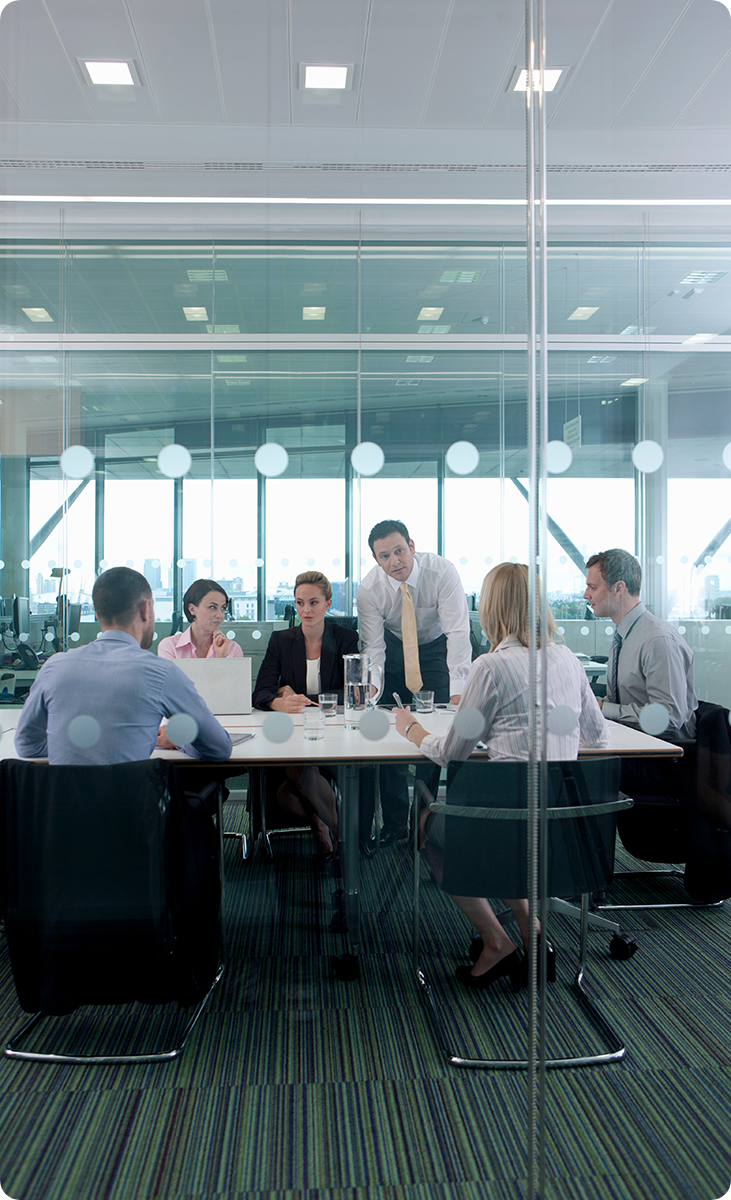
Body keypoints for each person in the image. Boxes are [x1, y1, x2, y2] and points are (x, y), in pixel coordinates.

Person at [393, 562, 609, 989]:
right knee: (508, 834)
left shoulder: (490, 667)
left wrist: (412, 730)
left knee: (425, 824)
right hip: (563, 828)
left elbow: (453, 752)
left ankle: (497, 942)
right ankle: (536, 937)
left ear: (491, 608)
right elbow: (597, 740)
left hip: (507, 825)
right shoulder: (568, 660)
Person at [15, 566, 232, 766]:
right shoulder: (161, 673)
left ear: (98, 614)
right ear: (145, 609)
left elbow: (27, 746)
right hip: (135, 806)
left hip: (64, 806)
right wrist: (178, 741)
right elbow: (219, 748)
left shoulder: (53, 667)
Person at [356, 519, 472, 844]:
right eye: (384, 556)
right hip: (393, 651)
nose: (394, 561)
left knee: (434, 733)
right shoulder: (369, 590)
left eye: (399, 551)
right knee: (393, 740)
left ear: (412, 546)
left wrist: (459, 691)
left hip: (437, 648)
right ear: (376, 560)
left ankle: (423, 826)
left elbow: (458, 635)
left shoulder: (442, 572)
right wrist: (373, 690)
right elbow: (374, 649)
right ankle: (394, 826)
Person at [252, 570, 359, 857]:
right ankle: (338, 832)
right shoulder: (281, 640)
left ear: (328, 603)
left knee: (288, 792)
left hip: (337, 730)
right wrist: (278, 703)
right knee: (295, 772)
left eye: (313, 602)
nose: (306, 610)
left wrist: (295, 698)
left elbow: (352, 694)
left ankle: (325, 827)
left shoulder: (346, 638)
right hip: (295, 731)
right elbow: (260, 692)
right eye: (300, 603)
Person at [584, 546, 698, 803]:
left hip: (663, 763)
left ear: (618, 588)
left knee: (578, 765)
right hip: (635, 747)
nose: (585, 594)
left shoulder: (657, 639)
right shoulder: (624, 634)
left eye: (592, 587)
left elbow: (668, 719)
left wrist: (603, 708)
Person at [157, 578, 244, 660]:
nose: (220, 615)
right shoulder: (170, 647)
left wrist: (222, 657)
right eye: (213, 607)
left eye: (223, 608)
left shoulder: (232, 649)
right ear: (192, 609)